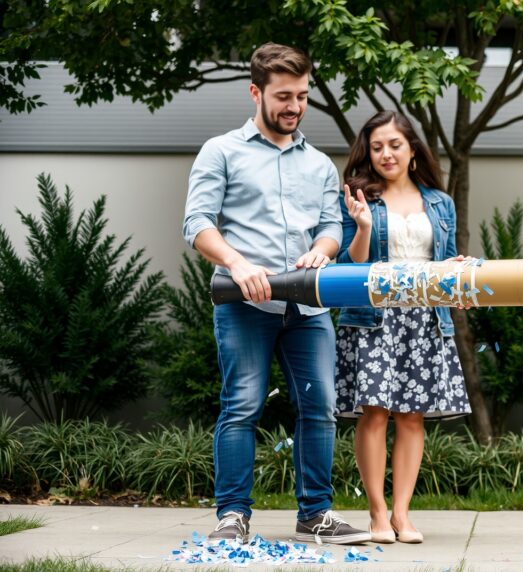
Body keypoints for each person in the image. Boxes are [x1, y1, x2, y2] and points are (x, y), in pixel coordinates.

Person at [182, 42, 370, 545]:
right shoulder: (221, 151)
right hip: (245, 307)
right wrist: (237, 262)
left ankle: (315, 514)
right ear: (255, 92)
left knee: (321, 406)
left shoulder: (318, 164)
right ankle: (233, 515)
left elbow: (332, 223)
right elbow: (196, 222)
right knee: (242, 405)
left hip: (308, 307)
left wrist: (325, 250)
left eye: (302, 96)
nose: (294, 106)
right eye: (283, 96)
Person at [335, 110, 472, 544]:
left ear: (412, 148)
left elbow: (445, 265)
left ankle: (402, 515)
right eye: (376, 147)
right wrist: (362, 226)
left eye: (394, 144)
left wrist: (458, 273)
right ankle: (376, 514)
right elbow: (350, 265)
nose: (385, 154)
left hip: (425, 318)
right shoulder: (359, 195)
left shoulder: (440, 202)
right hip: (374, 315)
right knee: (374, 413)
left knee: (412, 417)